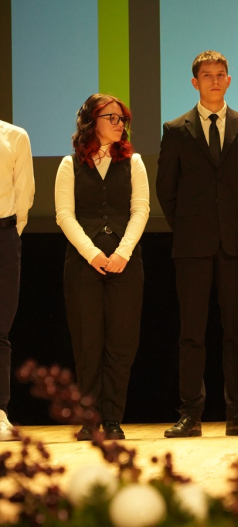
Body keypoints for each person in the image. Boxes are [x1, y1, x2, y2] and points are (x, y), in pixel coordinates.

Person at [156, 50, 238, 437]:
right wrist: (188, 227)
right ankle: (190, 414)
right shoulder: (175, 129)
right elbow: (166, 189)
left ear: (229, 80)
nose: (215, 80)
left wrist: (235, 220)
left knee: (237, 332)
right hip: (192, 244)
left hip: (236, 242)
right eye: (207, 75)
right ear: (195, 82)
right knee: (192, 333)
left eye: (221, 74)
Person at [55, 94, 149, 440]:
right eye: (111, 117)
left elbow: (140, 210)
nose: (119, 123)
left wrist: (123, 252)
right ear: (91, 122)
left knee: (121, 343)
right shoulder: (69, 165)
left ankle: (112, 419)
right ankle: (89, 419)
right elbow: (64, 214)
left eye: (122, 118)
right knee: (87, 342)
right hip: (84, 266)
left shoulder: (134, 162)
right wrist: (92, 253)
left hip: (125, 263)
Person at [0, 117, 35, 440]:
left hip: (3, 235)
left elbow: (24, 194)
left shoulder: (14, 136)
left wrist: (10, 235)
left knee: (0, 328)